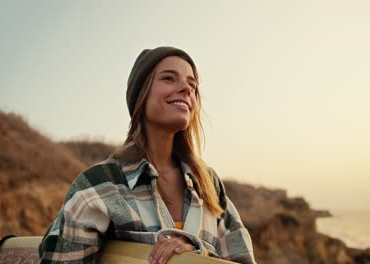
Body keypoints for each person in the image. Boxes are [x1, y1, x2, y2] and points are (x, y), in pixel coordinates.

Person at [38, 46, 256, 264]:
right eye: (169, 78)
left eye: (192, 84)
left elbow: (242, 260)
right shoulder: (98, 187)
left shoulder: (209, 185)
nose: (186, 89)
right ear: (140, 94)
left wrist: (197, 254)